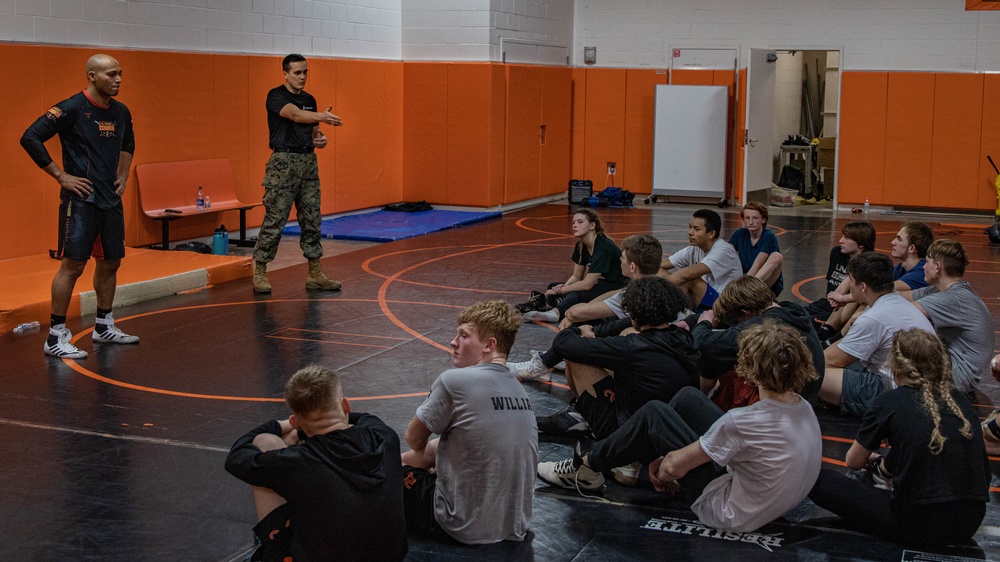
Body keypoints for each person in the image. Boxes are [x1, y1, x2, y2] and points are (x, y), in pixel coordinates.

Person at [537, 320, 821, 534]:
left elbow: (672, 469)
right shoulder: (803, 407)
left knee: (653, 414)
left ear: (749, 368)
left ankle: (585, 466)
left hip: (727, 512)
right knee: (688, 398)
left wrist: (666, 463)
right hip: (771, 500)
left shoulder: (742, 422)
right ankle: (631, 448)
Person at [808, 329, 990, 546]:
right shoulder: (960, 401)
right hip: (970, 522)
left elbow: (853, 461)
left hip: (917, 524)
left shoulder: (889, 401)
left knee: (821, 481)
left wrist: (872, 461)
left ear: (895, 366)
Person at [20, 54, 138, 359]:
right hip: (81, 199)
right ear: (92, 76)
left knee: (111, 262)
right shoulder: (71, 108)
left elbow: (128, 144)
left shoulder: (121, 112)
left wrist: (123, 175)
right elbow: (30, 137)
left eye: (120, 74)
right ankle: (55, 337)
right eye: (112, 74)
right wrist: (61, 176)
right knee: (72, 265)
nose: (118, 80)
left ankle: (104, 325)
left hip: (110, 200)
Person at [225, 365, 407, 562]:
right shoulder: (385, 436)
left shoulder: (297, 462)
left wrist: (283, 426)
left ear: (295, 421)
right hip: (392, 556)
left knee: (264, 442)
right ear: (346, 405)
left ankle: (273, 548)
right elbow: (363, 418)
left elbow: (236, 457)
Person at [400, 300, 537, 544]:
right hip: (515, 526)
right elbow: (468, 440)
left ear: (489, 345)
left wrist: (405, 462)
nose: (453, 342)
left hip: (459, 525)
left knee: (385, 471)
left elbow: (413, 438)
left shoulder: (454, 381)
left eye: (463, 336)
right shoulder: (519, 389)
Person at [530, 276, 698, 442]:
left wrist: (578, 331)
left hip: (635, 435)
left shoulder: (633, 346)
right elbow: (623, 326)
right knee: (625, 335)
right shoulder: (683, 336)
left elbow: (563, 344)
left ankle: (588, 421)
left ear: (634, 312)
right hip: (675, 427)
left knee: (578, 356)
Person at [509, 234, 664, 382]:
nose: (619, 259)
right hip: (663, 353)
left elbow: (576, 312)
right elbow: (617, 294)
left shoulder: (633, 295)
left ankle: (539, 366)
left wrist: (570, 317)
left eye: (622, 257)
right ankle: (550, 360)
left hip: (644, 354)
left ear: (632, 266)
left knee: (574, 332)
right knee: (598, 322)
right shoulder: (663, 286)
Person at [253, 54, 343, 294]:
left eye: (305, 72)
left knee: (312, 219)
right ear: (285, 73)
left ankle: (315, 274)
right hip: (283, 163)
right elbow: (294, 115)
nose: (302, 77)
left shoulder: (309, 100)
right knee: (275, 219)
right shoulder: (276, 96)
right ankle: (260, 272)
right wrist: (322, 116)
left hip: (308, 162)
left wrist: (319, 138)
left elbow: (313, 131)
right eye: (297, 73)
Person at [818, 252, 933, 416]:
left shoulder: (874, 316)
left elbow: (829, 359)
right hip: (922, 389)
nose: (849, 286)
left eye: (851, 280)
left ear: (863, 286)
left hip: (898, 394)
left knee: (813, 372)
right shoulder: (895, 301)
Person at [688, 275, 824, 405]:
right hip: (801, 399)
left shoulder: (761, 327)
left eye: (739, 321)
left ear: (747, 313)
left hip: (779, 408)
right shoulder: (790, 310)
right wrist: (692, 320)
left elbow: (702, 342)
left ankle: (704, 396)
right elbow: (728, 320)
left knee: (711, 359)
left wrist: (704, 323)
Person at [818, 221, 931, 343]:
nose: (892, 242)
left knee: (869, 295)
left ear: (911, 248)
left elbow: (879, 289)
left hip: (910, 329)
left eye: (899, 239)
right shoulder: (901, 268)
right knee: (861, 281)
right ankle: (826, 332)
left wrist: (843, 298)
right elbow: (863, 277)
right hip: (897, 317)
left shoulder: (921, 271)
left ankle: (836, 340)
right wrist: (838, 296)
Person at [523, 208, 628, 323]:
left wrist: (563, 291)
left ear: (592, 225)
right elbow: (577, 276)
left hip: (617, 286)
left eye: (580, 222)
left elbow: (587, 284)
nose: (574, 225)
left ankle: (555, 313)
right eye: (573, 222)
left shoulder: (603, 246)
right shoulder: (581, 245)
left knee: (578, 293)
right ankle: (565, 305)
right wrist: (560, 288)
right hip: (602, 283)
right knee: (553, 286)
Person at [659, 209, 741, 311]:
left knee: (689, 279)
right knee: (657, 271)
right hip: (707, 300)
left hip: (725, 305)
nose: (690, 232)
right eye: (690, 227)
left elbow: (686, 275)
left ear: (711, 234)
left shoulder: (724, 251)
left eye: (696, 229)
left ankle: (667, 313)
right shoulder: (695, 249)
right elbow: (658, 267)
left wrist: (657, 292)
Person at [805, 220, 875, 326]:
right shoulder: (837, 253)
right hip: (827, 303)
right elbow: (830, 283)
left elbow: (864, 297)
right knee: (790, 311)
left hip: (842, 311)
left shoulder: (870, 264)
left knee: (803, 323)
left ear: (861, 244)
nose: (841, 240)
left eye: (846, 238)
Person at [727, 202, 783, 296]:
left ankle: (747, 289)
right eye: (747, 218)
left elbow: (757, 264)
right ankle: (746, 289)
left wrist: (742, 287)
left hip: (766, 282)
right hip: (746, 277)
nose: (751, 222)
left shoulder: (769, 237)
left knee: (776, 256)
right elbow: (726, 252)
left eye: (755, 218)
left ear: (763, 220)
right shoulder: (739, 234)